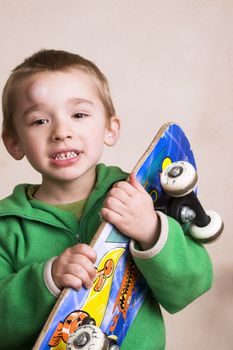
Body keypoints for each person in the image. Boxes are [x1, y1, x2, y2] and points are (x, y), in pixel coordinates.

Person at [0, 49, 213, 350]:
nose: (62, 132)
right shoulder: (7, 227)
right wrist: (47, 279)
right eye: (39, 121)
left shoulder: (139, 195)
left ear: (110, 129)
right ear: (13, 142)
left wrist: (152, 231)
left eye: (79, 115)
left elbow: (192, 286)